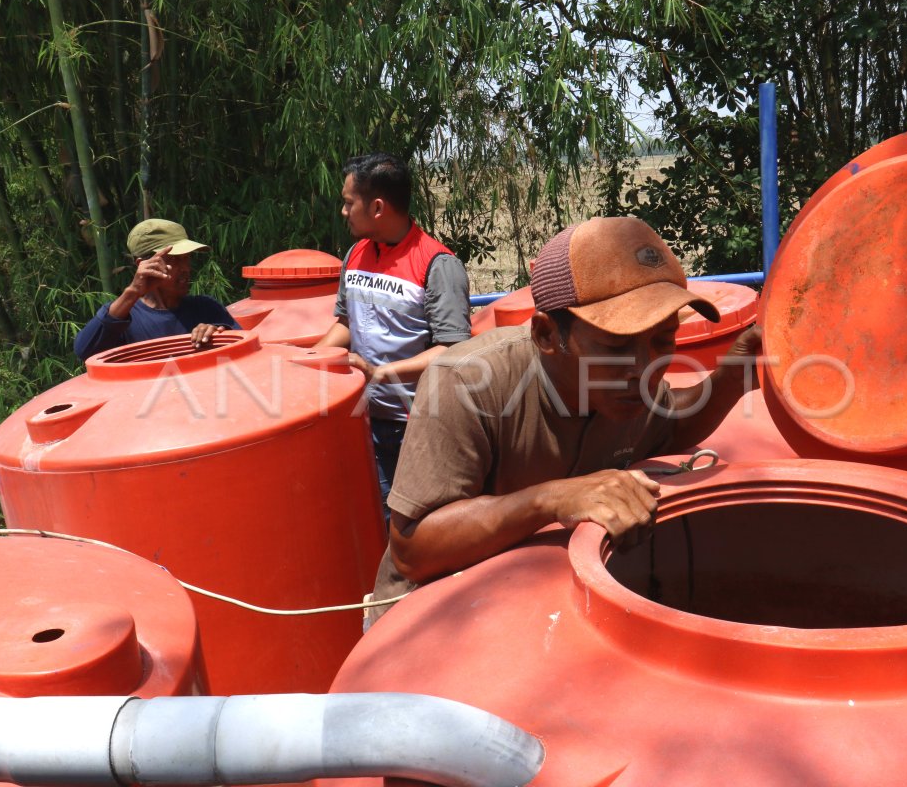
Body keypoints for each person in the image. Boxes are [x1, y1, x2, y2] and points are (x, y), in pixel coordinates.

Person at [366, 216, 761, 626]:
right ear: (546, 335)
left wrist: (731, 379)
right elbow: (412, 551)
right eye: (615, 345)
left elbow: (671, 425)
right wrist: (553, 499)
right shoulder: (466, 382)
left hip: (536, 608)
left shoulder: (625, 387)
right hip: (431, 626)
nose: (645, 368)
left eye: (663, 339)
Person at [315, 153, 471, 523]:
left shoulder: (437, 265)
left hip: (416, 426)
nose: (343, 211)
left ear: (379, 207)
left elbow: (454, 349)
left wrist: (380, 373)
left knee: (411, 529)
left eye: (349, 203)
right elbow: (346, 323)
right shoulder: (356, 254)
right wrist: (309, 359)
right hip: (362, 418)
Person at [73, 219, 240, 360]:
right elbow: (84, 351)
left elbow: (244, 346)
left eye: (186, 258)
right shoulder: (124, 318)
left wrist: (220, 334)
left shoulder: (205, 308)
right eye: (174, 260)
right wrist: (133, 291)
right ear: (143, 266)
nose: (185, 268)